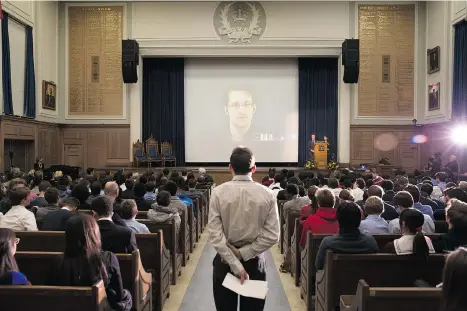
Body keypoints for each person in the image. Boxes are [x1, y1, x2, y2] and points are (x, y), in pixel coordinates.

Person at [208, 147, 280, 310]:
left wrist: (234, 260)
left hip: (224, 260)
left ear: (230, 168)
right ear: (254, 169)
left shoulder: (218, 193)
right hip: (254, 263)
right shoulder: (268, 194)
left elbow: (215, 234)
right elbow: (273, 235)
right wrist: (244, 254)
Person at [47, 215, 132, 311]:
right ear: (94, 233)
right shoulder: (108, 258)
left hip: (66, 307)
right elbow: (117, 295)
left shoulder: (58, 261)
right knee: (126, 297)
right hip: (98, 307)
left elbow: (52, 290)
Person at [315, 201, 378, 270]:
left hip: (336, 280)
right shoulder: (370, 241)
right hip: (363, 279)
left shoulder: (328, 243)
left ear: (338, 219)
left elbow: (318, 266)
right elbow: (374, 265)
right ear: (360, 219)